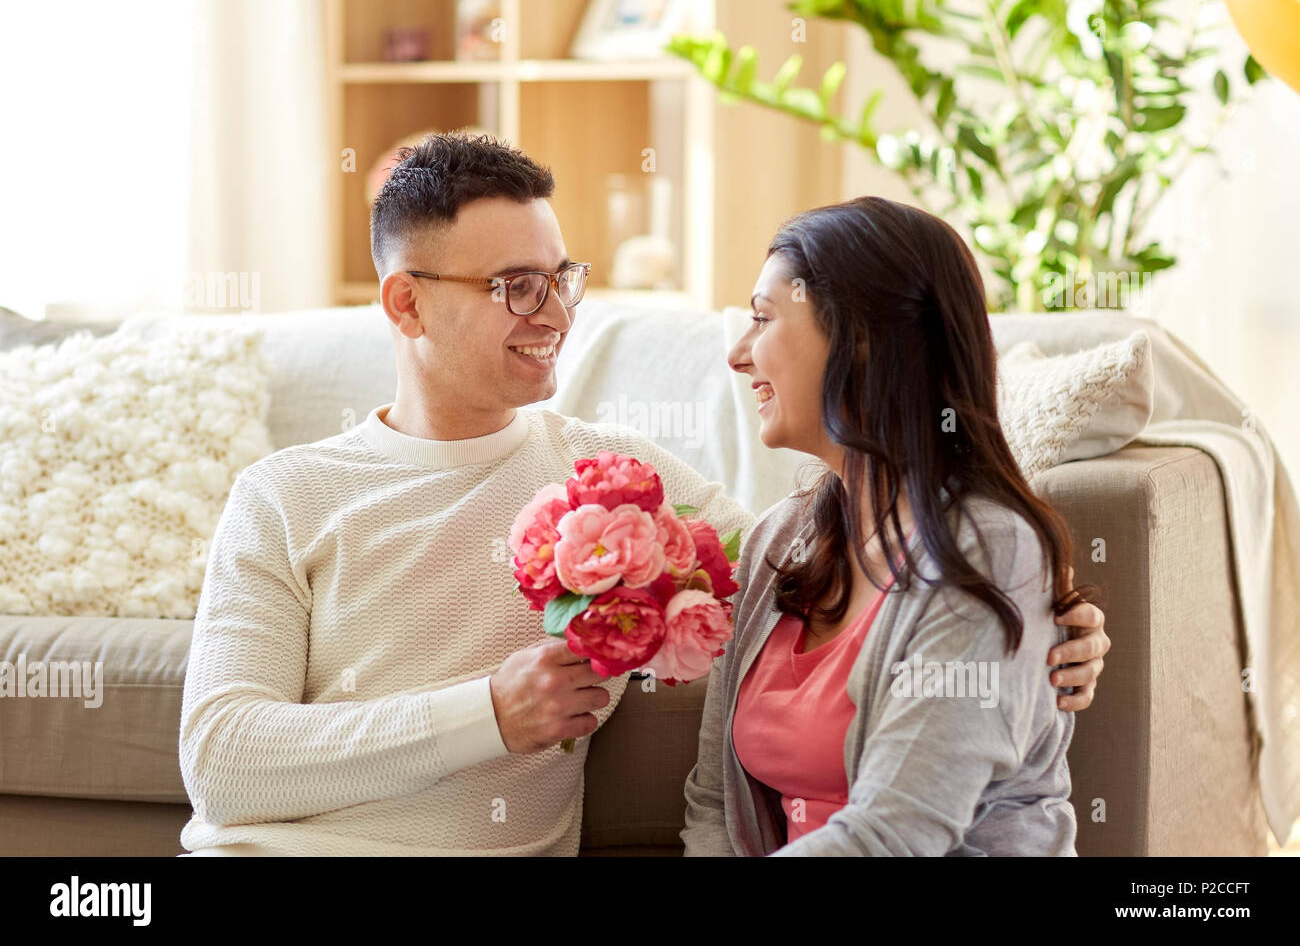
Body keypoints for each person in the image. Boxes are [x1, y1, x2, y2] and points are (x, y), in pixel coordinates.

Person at [179, 134, 1107, 856]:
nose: (554, 314)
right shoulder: (284, 497)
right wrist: (487, 718)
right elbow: (221, 761)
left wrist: (1050, 634)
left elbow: (848, 588)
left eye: (561, 278)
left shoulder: (624, 485)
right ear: (406, 303)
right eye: (515, 286)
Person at [683, 196, 1108, 856]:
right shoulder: (777, 542)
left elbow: (897, 832)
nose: (738, 356)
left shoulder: (987, 552)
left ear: (861, 341)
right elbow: (714, 801)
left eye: (763, 320)